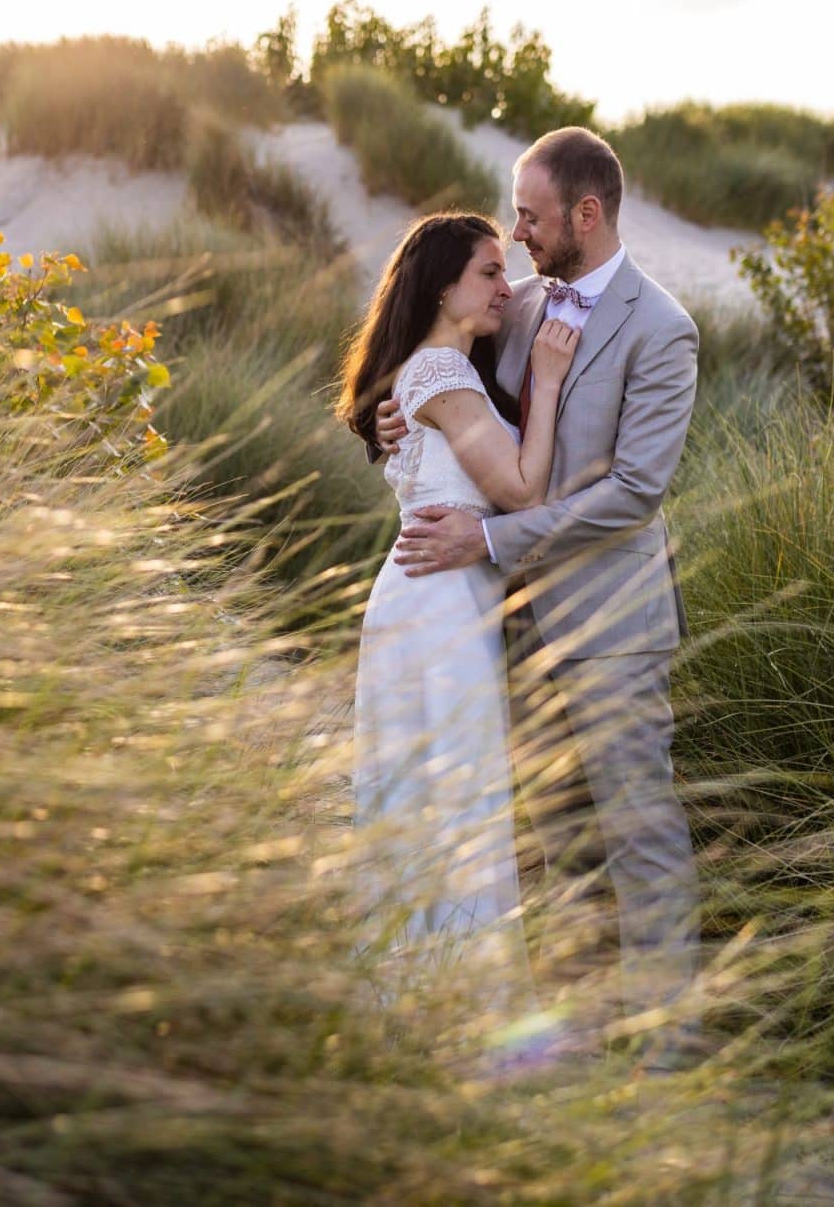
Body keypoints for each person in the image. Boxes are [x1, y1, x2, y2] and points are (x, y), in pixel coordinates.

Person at [377, 127, 702, 1070]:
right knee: (558, 836)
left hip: (613, 626)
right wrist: (398, 416)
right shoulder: (512, 307)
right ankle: (581, 1027)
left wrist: (488, 540)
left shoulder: (662, 329)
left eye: (530, 215)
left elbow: (634, 493)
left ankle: (668, 1049)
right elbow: (447, 389)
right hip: (511, 623)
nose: (516, 233)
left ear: (585, 215)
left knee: (639, 831)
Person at [339, 211, 581, 1044]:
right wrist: (548, 380)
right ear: (443, 287)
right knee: (458, 799)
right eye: (488, 271)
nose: (505, 286)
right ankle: (467, 1014)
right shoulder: (441, 369)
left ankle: (418, 1002)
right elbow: (519, 490)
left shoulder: (437, 371)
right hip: (436, 611)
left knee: (429, 798)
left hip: (431, 604)